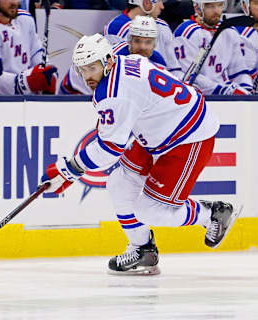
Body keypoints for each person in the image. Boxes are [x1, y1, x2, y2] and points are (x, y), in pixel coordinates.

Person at [40, 34, 241, 275]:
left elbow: (109, 150)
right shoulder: (122, 61)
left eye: (92, 68)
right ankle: (142, 250)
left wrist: (68, 169)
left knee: (151, 210)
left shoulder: (115, 93)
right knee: (118, 183)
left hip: (188, 135)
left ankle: (211, 214)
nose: (87, 76)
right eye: (82, 69)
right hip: (158, 128)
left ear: (107, 61)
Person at [60, 15, 166, 94]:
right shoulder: (113, 55)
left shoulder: (158, 62)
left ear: (154, 44)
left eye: (148, 42)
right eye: (137, 41)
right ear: (129, 41)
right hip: (74, 93)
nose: (142, 47)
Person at [0, 0, 58, 95]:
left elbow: (37, 53)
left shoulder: (25, 18)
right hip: (0, 103)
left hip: (30, 99)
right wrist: (25, 82)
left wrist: (48, 75)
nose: (15, 2)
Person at [173, 0, 253, 95]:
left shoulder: (228, 31)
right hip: (197, 97)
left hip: (225, 96)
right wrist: (222, 90)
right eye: (210, 6)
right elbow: (188, 76)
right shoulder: (186, 33)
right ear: (197, 8)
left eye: (219, 5)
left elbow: (238, 70)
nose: (216, 11)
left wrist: (246, 89)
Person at [103, 0, 183, 79]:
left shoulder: (162, 26)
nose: (162, 6)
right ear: (146, 2)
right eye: (159, 1)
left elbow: (173, 69)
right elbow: (105, 71)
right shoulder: (116, 27)